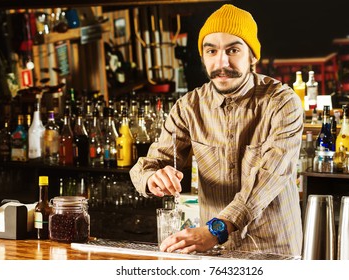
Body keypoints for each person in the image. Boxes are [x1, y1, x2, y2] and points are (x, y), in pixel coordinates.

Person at [130, 4, 304, 256]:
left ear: (252, 56)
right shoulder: (188, 107)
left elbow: (270, 177)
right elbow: (148, 165)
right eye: (211, 51)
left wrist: (216, 230)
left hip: (273, 249)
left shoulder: (281, 102)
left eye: (233, 50)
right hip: (215, 251)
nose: (221, 62)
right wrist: (153, 178)